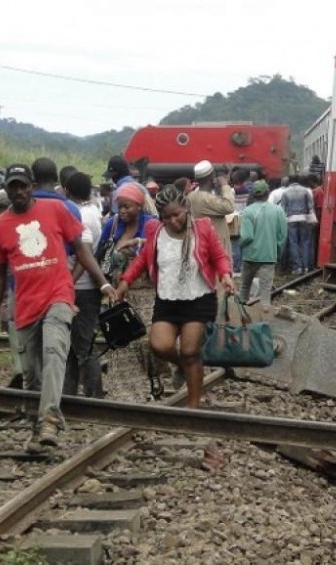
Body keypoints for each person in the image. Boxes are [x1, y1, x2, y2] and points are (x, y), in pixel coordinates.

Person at [0, 164, 117, 449]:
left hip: (58, 296)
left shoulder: (56, 211)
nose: (19, 192)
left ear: (31, 185)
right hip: (26, 305)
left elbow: (81, 249)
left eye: (23, 185)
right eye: (13, 186)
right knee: (31, 374)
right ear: (6, 188)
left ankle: (50, 420)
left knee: (55, 351)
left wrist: (103, 283)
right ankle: (37, 428)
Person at [116, 185, 234, 470]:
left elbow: (218, 256)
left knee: (192, 350)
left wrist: (226, 275)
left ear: (187, 210)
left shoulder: (203, 228)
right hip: (168, 299)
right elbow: (143, 261)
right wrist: (124, 282)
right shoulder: (156, 231)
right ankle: (185, 368)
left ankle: (193, 408)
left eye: (176, 215)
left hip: (198, 298)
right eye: (166, 217)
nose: (172, 221)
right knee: (159, 345)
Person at [65, 172, 105, 398]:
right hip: (88, 285)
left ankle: (94, 395)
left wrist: (68, 282)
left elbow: (84, 253)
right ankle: (69, 394)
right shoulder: (94, 212)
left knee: (83, 347)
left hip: (80, 286)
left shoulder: (77, 214)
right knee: (74, 346)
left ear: (67, 192)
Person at [239, 180, 287, 309]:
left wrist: (240, 244)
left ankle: (241, 314)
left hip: (250, 256)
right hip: (269, 257)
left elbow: (247, 236)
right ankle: (265, 315)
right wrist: (276, 250)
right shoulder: (278, 211)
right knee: (266, 292)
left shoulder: (248, 211)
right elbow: (282, 236)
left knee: (244, 288)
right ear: (267, 193)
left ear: (253, 195)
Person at [95, 183, 154, 285]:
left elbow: (158, 244)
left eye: (127, 207)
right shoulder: (113, 224)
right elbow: (100, 252)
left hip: (143, 291)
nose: (122, 211)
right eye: (120, 207)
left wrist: (135, 241)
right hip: (115, 288)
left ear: (139, 206)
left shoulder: (150, 224)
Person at [188, 159, 235, 261]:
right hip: (215, 250)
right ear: (212, 176)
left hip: (201, 245)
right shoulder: (207, 199)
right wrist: (225, 185)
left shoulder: (191, 196)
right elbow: (229, 206)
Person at [280, 175, 317, 275]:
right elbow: (310, 207)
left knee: (294, 243)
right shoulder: (305, 191)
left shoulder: (286, 192)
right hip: (304, 218)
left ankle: (297, 267)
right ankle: (306, 267)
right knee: (305, 242)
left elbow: (283, 208)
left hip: (291, 220)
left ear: (290, 182)